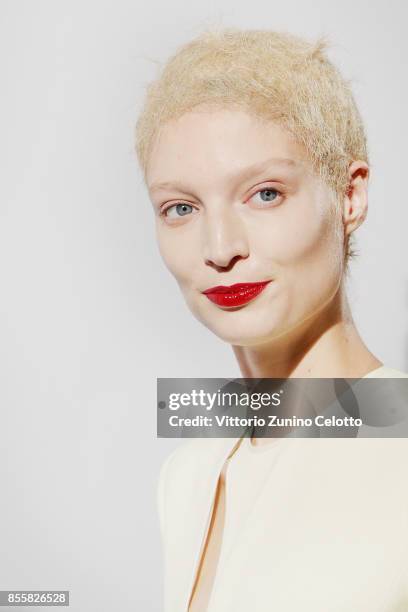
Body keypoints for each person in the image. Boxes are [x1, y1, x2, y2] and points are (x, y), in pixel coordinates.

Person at [134, 28, 408, 611]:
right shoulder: (186, 476)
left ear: (349, 196)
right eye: (180, 208)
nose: (220, 247)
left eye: (264, 194)